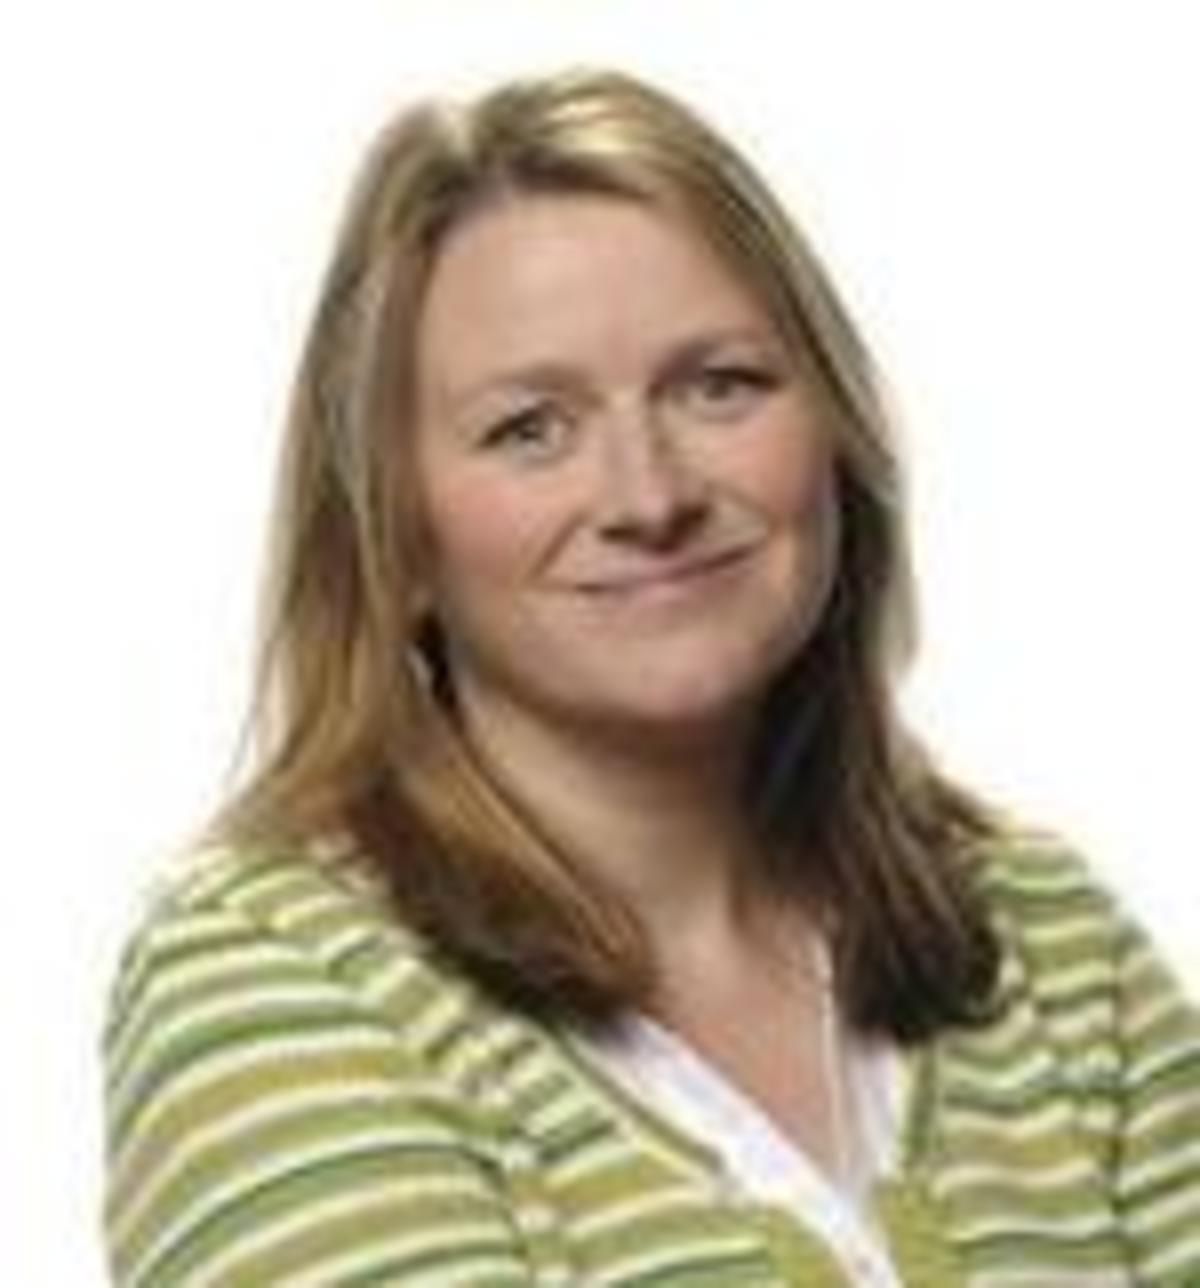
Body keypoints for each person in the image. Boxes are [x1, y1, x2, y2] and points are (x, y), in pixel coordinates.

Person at [102, 67, 1200, 1285]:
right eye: (531, 427)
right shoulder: (274, 983)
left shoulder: (1050, 942)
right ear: (393, 536)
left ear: (838, 437)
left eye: (719, 385)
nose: (650, 495)